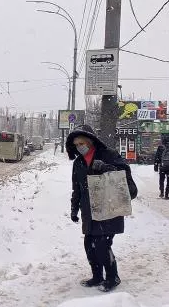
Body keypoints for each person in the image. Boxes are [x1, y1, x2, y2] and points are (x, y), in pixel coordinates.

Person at [68, 125, 138, 292]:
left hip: (109, 209)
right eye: (76, 145)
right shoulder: (78, 163)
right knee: (89, 245)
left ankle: (113, 277)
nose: (79, 147)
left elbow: (126, 181)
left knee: (101, 245)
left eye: (82, 143)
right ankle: (97, 276)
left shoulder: (109, 155)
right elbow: (76, 188)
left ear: (90, 141)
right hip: (89, 211)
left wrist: (107, 168)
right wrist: (74, 208)